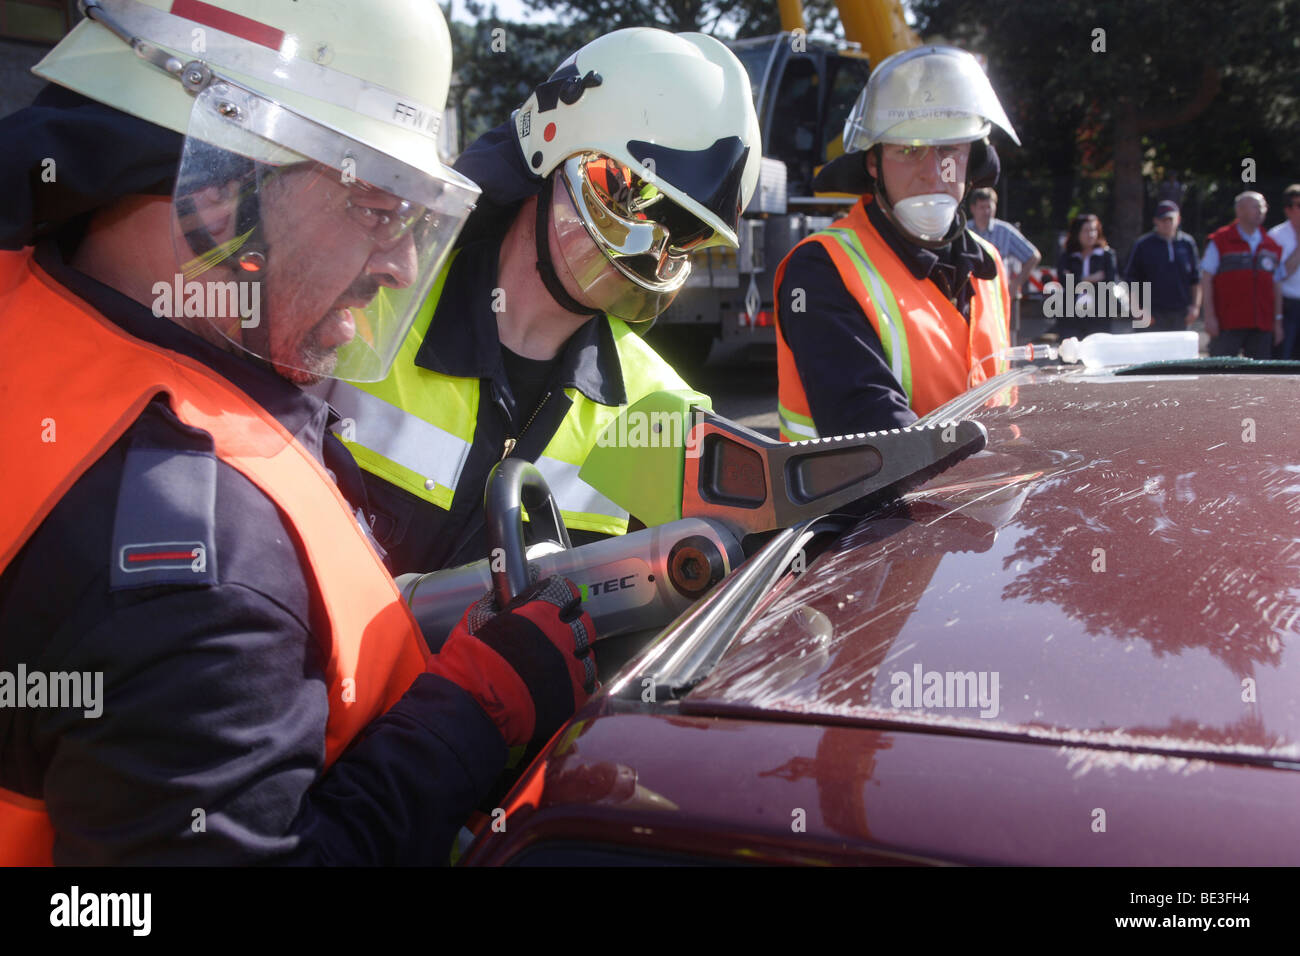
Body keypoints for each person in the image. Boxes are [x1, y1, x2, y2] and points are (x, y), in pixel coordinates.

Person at [0, 0, 595, 865]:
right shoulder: (203, 565)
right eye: (378, 205)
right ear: (214, 198)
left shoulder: (41, 312)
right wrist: (474, 715)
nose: (399, 265)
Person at [317, 28, 761, 576]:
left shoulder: (662, 409)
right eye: (632, 197)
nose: (654, 247)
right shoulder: (368, 305)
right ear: (550, 145)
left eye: (686, 230)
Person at [774, 46, 1016, 440]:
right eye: (908, 150)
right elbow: (876, 432)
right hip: (858, 503)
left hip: (988, 498)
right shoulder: (821, 268)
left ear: (972, 159)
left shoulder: (989, 264)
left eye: (948, 150)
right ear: (873, 163)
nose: (932, 173)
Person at [1200, 191, 1284, 359]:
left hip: (1262, 324)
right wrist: (1209, 317)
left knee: (1260, 378)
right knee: (1219, 374)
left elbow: (1277, 285)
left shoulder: (1272, 245)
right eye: (1255, 206)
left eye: (1263, 206)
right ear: (1239, 211)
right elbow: (1206, 279)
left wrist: (1277, 321)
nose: (1261, 210)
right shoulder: (1220, 240)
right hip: (1227, 323)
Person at [1123, 200, 1201, 332]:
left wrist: (1195, 306)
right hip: (1151, 315)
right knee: (1148, 352)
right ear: (1155, 221)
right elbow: (1131, 280)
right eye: (1163, 219)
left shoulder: (1187, 243)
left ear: (1178, 219)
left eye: (1170, 219)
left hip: (1181, 315)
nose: (1167, 223)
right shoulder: (1143, 245)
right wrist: (1137, 309)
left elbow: (1196, 279)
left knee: (1180, 352)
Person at [967, 186, 1041, 298]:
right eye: (982, 207)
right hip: (971, 294)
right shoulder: (964, 231)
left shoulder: (1004, 231)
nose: (986, 211)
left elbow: (1033, 256)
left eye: (989, 207)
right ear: (972, 208)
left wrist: (1015, 284)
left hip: (997, 295)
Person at [1054, 213, 1118, 342]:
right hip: (1071, 315)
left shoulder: (1106, 255)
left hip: (1099, 314)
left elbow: (1109, 282)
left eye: (1093, 230)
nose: (1090, 235)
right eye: (1086, 231)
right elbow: (1065, 282)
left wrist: (1077, 279)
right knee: (1071, 355)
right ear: (1077, 233)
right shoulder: (1067, 256)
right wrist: (1090, 279)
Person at [1267, 184, 1300, 359]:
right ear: (1288, 209)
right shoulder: (1276, 236)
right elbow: (1282, 273)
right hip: (1288, 308)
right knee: (1285, 361)